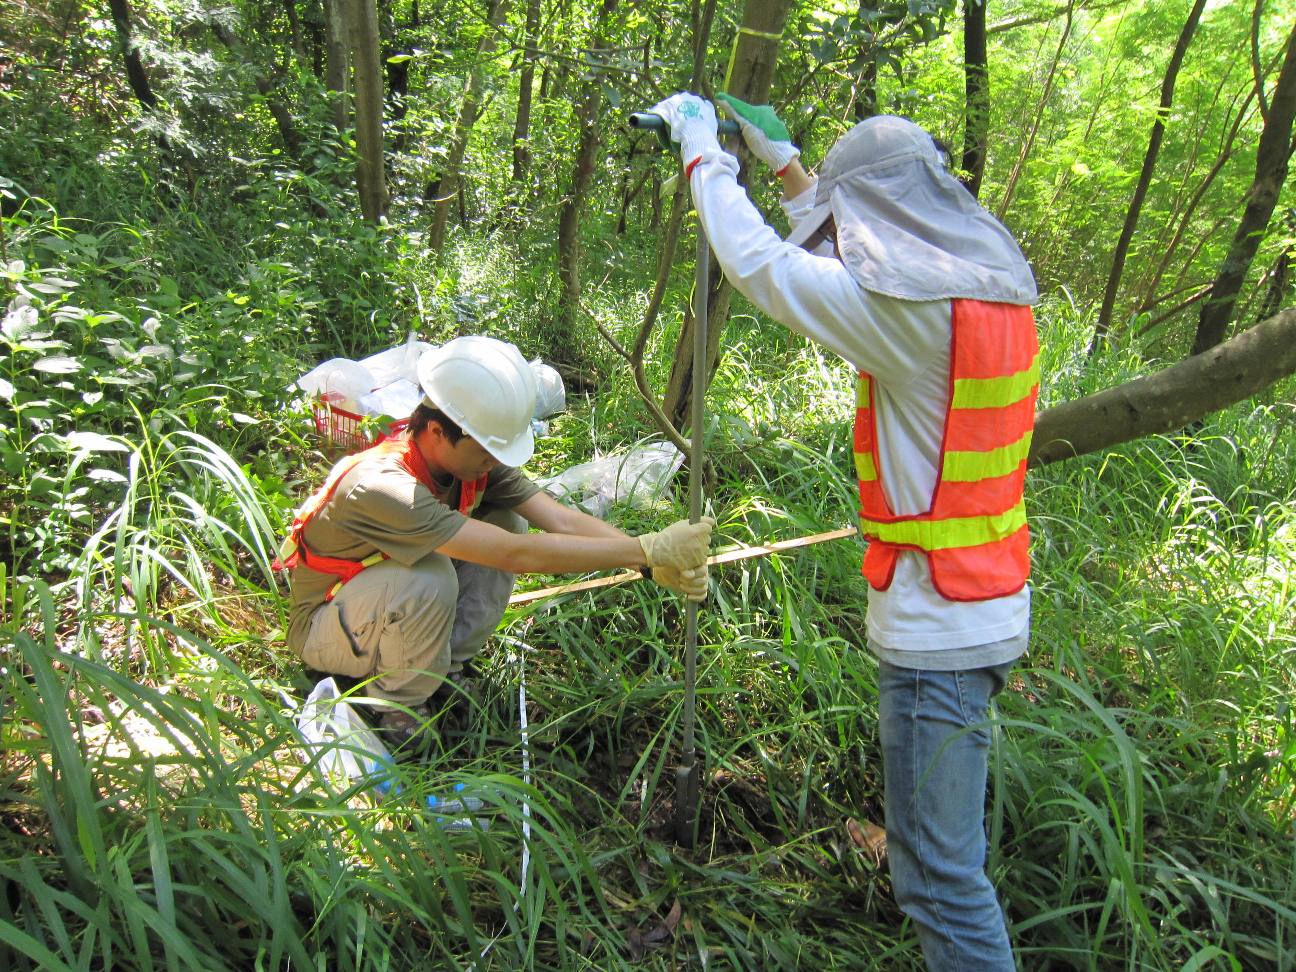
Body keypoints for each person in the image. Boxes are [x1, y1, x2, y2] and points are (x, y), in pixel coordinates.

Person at [647, 92, 1039, 970]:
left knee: (941, 880)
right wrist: (792, 170)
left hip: (942, 626)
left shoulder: (915, 317)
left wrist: (704, 152)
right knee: (932, 866)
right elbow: (857, 268)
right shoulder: (984, 294)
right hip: (970, 605)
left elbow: (766, 271)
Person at [282, 335, 714, 750]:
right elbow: (516, 557)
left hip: (375, 604)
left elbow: (560, 519)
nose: (496, 461)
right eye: (488, 449)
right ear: (436, 430)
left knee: (505, 521)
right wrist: (647, 550)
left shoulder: (474, 464)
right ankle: (401, 705)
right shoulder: (383, 488)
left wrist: (647, 558)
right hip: (324, 627)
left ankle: (446, 670)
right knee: (431, 578)